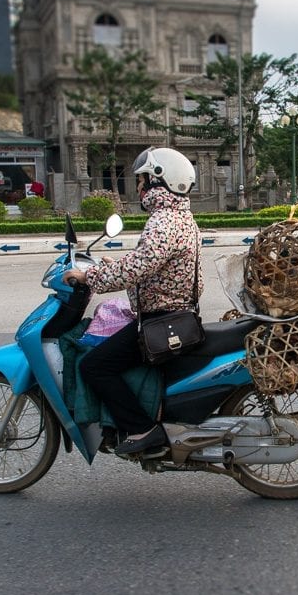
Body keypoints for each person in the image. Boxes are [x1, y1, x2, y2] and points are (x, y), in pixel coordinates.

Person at [63, 147, 202, 456]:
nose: (138, 187)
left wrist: (92, 277)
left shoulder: (163, 221)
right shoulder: (181, 218)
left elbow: (141, 266)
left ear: (158, 181)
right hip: (172, 315)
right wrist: (117, 266)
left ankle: (142, 428)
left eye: (142, 180)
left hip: (160, 322)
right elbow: (153, 265)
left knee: (94, 366)